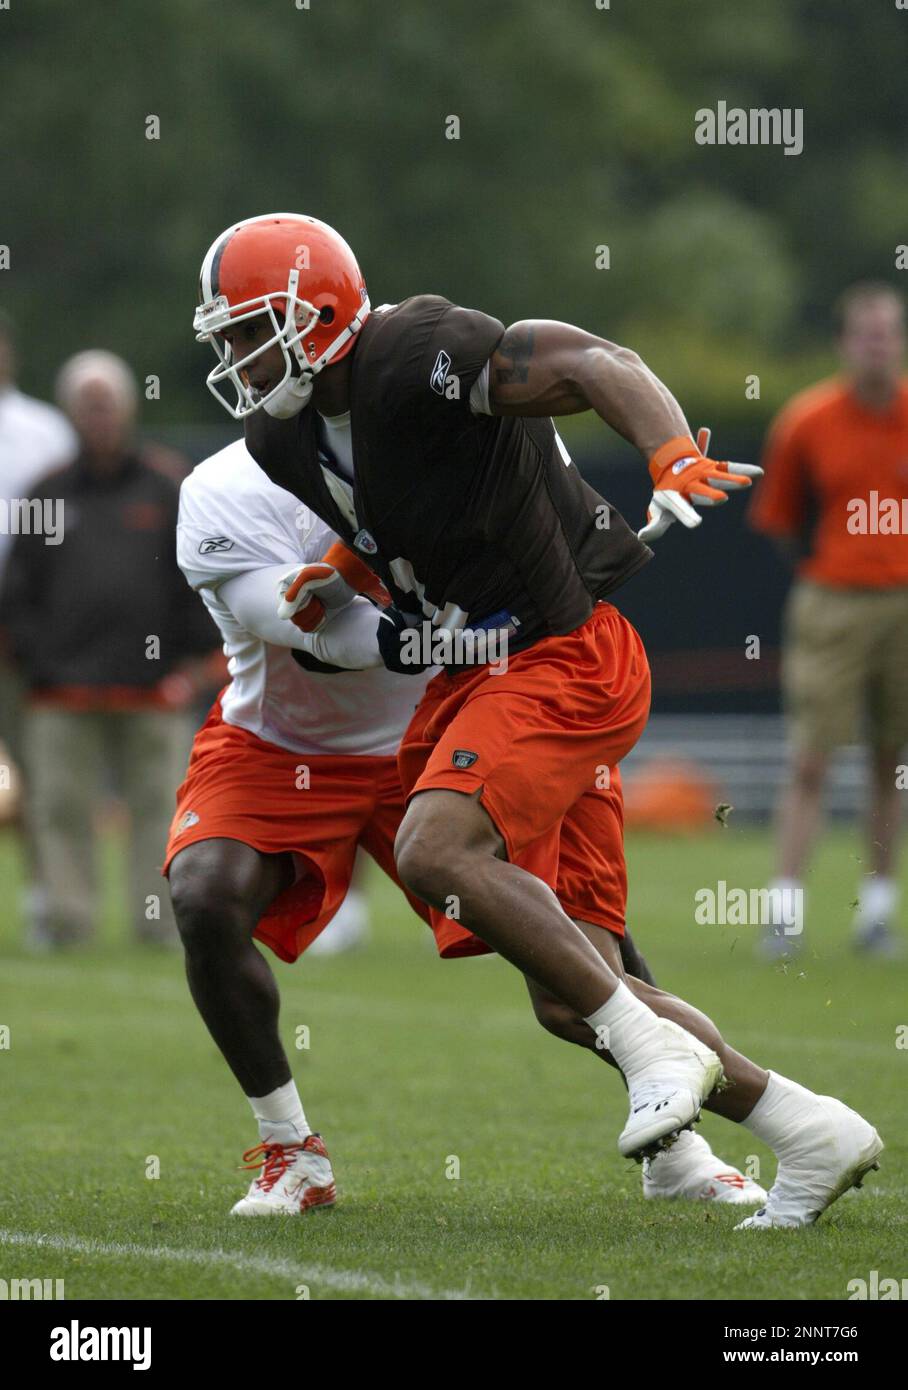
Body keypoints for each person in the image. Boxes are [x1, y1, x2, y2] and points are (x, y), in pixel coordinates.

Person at [190, 213, 883, 1229]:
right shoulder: (281, 436)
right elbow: (390, 510)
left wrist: (664, 450)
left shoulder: (415, 350)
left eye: (254, 329)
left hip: (561, 659)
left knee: (432, 845)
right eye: (227, 339)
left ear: (323, 313)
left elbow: (591, 357)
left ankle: (653, 1056)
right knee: (572, 993)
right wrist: (338, 570)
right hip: (480, 680)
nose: (238, 358)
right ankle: (807, 1129)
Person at [165, 437, 766, 1215]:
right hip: (284, 739)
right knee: (204, 894)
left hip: (450, 718)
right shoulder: (222, 487)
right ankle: (291, 1150)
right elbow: (302, 629)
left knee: (578, 958)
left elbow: (560, 483)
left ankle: (680, 1147)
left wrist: (663, 451)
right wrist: (423, 635)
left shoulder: (449, 417)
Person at [0, 350, 222, 947]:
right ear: (72, 413)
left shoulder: (166, 485)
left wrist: (187, 666)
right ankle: (67, 924)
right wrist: (36, 661)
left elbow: (195, 580)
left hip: (150, 689)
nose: (98, 416)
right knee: (60, 812)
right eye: (87, 405)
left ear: (126, 408)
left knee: (159, 812)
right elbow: (20, 591)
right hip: (61, 689)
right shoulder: (46, 493)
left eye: (108, 404)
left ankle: (158, 927)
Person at [751, 282, 908, 959]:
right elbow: (780, 521)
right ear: (846, 343)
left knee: (891, 762)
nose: (879, 345)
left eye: (890, 332)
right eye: (867, 333)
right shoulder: (807, 420)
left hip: (904, 600)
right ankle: (783, 913)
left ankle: (875, 913)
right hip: (833, 601)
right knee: (811, 758)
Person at [0, 312, 77, 877]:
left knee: (39, 766)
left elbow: (66, 533)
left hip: (24, 624)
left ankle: (48, 895)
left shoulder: (44, 430)